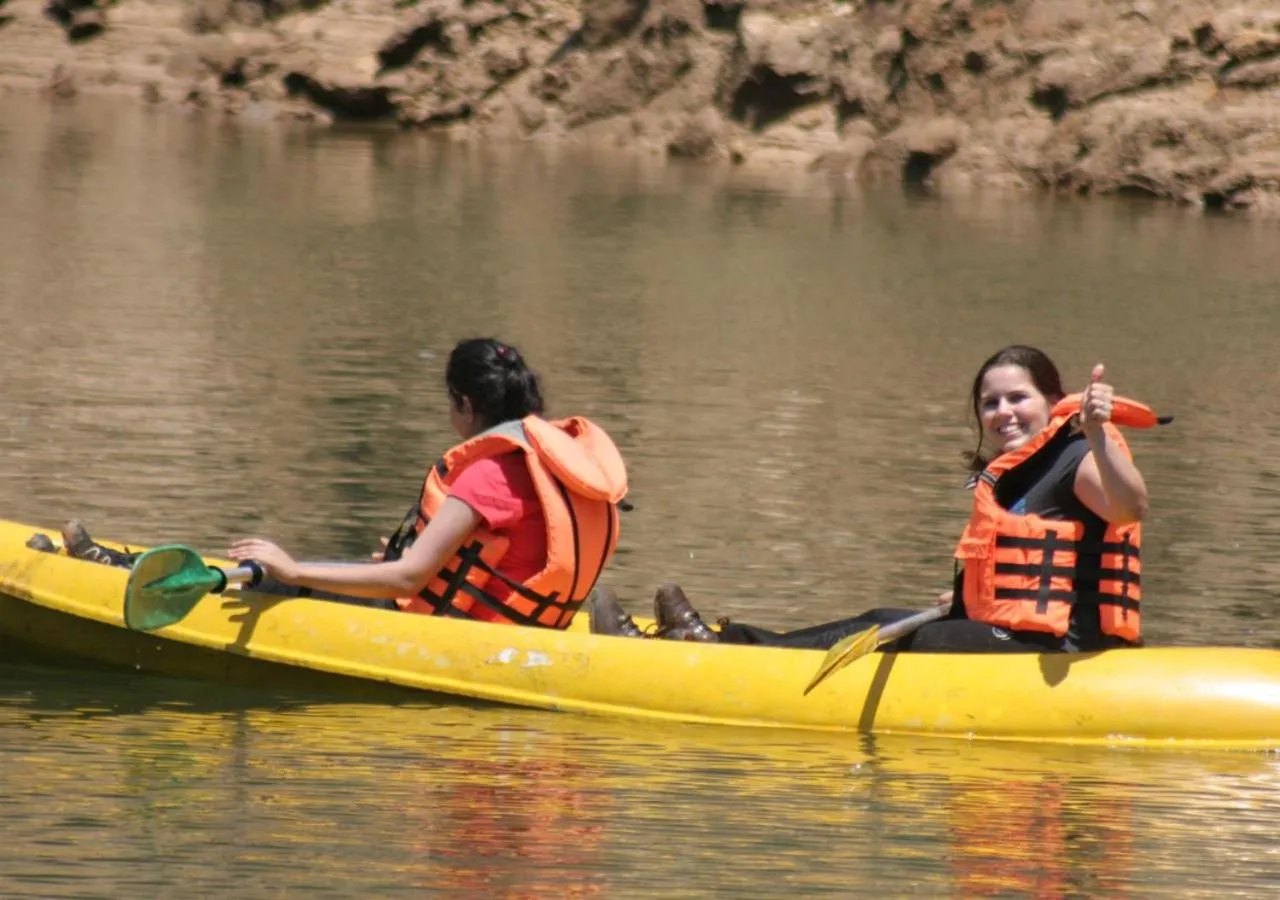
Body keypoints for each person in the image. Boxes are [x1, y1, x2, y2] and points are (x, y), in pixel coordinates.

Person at [591, 345, 1164, 652]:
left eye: (1018, 398)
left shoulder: (1078, 455)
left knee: (895, 634)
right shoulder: (1016, 471)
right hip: (1010, 634)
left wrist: (1093, 431)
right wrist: (970, 595)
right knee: (877, 619)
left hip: (1059, 648)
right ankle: (718, 642)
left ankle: (713, 652)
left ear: (1053, 400)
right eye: (990, 404)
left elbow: (1127, 508)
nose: (1003, 413)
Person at [56, 337, 631, 630]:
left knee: (277, 582)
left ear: (464, 403)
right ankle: (121, 563)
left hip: (451, 635)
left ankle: (114, 571)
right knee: (317, 572)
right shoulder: (548, 464)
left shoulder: (487, 474)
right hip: (523, 627)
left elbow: (408, 577)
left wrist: (293, 569)